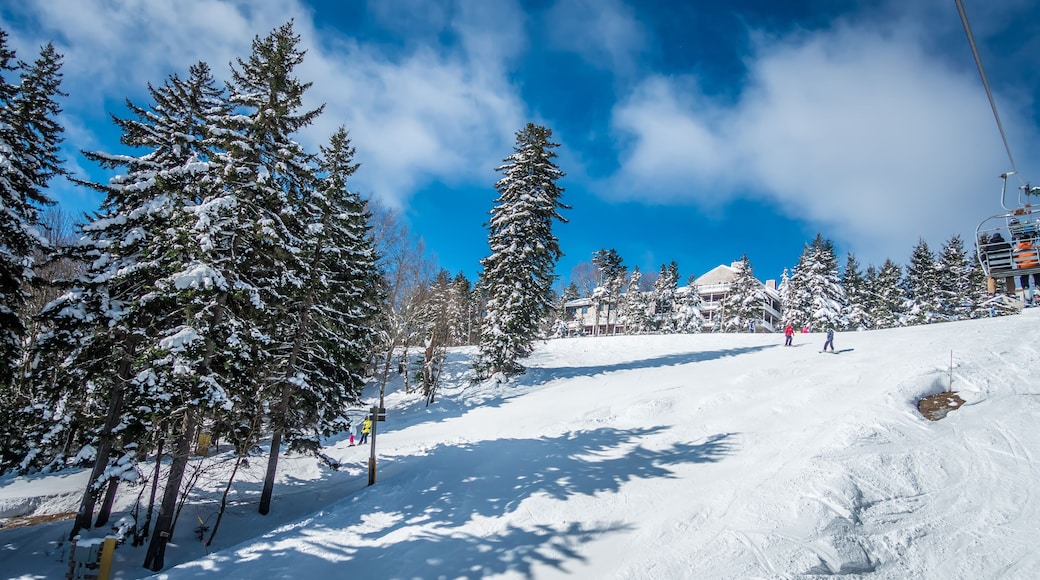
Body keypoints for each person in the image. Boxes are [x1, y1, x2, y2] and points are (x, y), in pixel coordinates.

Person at [1013, 235, 1040, 305]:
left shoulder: (1017, 249)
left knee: (1024, 277)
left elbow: (1015, 259)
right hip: (1034, 265)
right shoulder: (1034, 247)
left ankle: (1026, 295)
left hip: (1023, 267)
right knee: (1037, 275)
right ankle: (1037, 291)